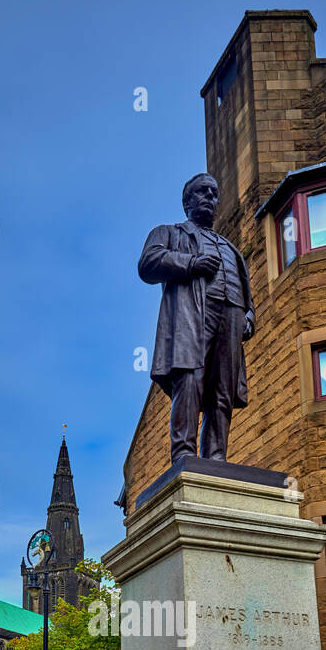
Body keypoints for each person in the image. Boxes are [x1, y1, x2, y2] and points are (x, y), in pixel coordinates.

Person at [138, 173, 255, 464]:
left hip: (231, 317)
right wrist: (191, 264)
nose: (211, 199)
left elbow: (247, 293)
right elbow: (148, 264)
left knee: (222, 389)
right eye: (203, 192)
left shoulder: (232, 250)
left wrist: (249, 316)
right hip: (193, 314)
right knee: (189, 379)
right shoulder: (169, 233)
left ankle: (216, 458)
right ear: (187, 201)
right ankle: (184, 455)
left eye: (214, 194)